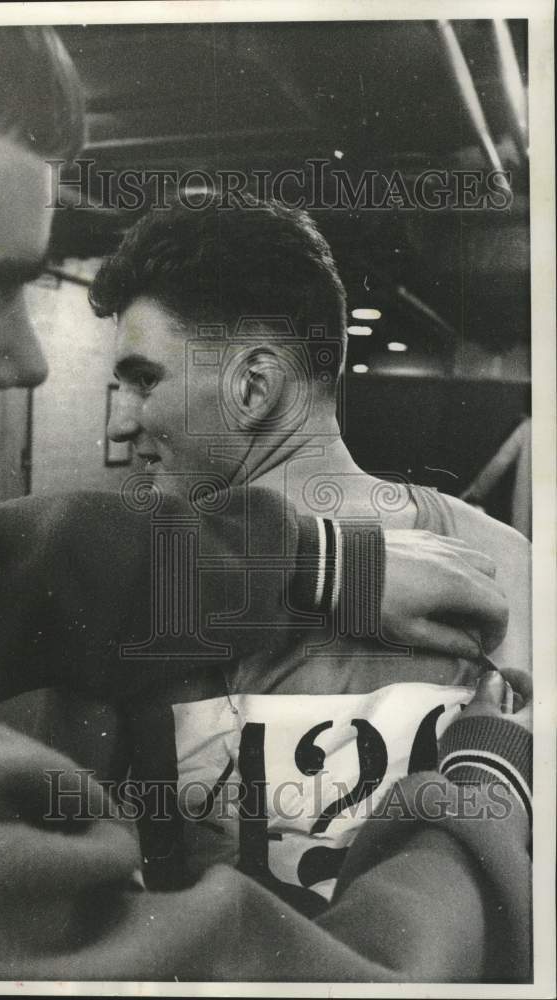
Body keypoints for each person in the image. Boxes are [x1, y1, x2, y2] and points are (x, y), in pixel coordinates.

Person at [0, 27, 530, 983]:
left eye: (137, 379)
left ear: (252, 388)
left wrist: (311, 565)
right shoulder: (514, 581)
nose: (45, 374)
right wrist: (493, 786)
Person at [89, 199, 532, 905]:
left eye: (143, 380)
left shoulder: (126, 592)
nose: (118, 424)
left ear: (254, 386)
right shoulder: (505, 563)